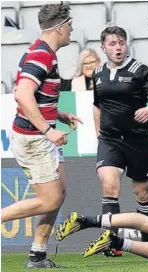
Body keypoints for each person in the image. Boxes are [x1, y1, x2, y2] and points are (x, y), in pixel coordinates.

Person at [0, 2, 79, 268]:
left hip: (41, 135)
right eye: (69, 26)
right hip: (34, 138)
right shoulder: (41, 55)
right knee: (50, 199)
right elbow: (22, 95)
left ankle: (37, 255)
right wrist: (48, 130)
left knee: (61, 192)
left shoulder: (44, 53)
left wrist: (59, 115)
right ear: (58, 28)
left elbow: (36, 96)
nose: (71, 31)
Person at [92, 26, 148, 257]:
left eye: (121, 43)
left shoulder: (140, 70)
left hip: (138, 141)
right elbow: (97, 106)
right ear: (103, 47)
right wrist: (99, 136)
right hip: (110, 139)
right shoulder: (98, 73)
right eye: (113, 44)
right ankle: (112, 243)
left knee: (142, 193)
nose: (118, 47)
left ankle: (146, 241)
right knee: (109, 185)